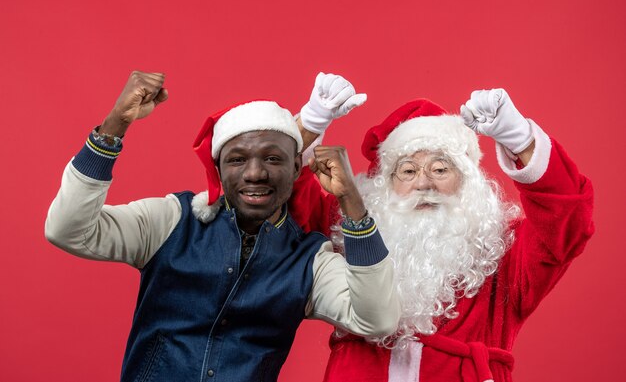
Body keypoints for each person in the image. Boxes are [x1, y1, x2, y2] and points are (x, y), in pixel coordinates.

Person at [44, 70, 400, 382]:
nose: (255, 173)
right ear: (217, 169)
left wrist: (352, 203)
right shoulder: (171, 220)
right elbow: (68, 230)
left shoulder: (310, 259)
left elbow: (377, 320)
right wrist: (114, 126)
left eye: (273, 159)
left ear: (296, 169)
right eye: (237, 159)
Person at [291, 88, 594, 382]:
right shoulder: (348, 230)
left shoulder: (502, 249)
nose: (424, 184)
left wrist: (520, 139)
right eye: (408, 171)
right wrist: (309, 125)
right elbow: (291, 207)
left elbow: (568, 220)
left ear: (467, 181)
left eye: (440, 169)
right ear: (385, 185)